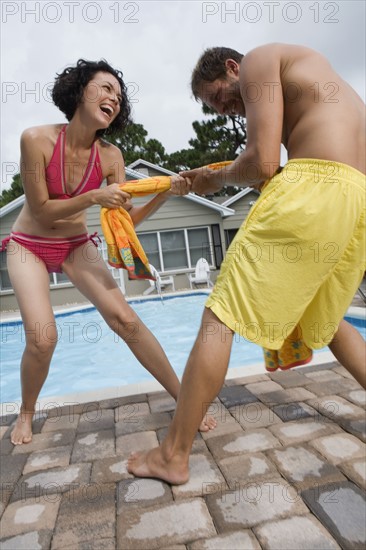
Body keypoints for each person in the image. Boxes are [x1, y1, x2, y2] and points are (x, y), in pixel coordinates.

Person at [127, 43, 366, 485]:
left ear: (232, 67)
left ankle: (173, 455)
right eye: (214, 107)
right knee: (328, 320)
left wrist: (213, 179)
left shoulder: (259, 58)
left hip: (316, 185)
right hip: (355, 198)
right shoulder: (319, 73)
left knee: (221, 314)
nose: (222, 108)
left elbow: (262, 161)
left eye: (216, 96)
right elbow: (274, 164)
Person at [4, 59, 216, 445]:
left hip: (75, 245)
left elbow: (127, 221)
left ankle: (184, 399)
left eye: (118, 96)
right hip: (28, 246)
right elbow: (39, 209)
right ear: (79, 90)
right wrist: (94, 195)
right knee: (43, 337)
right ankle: (27, 412)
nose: (112, 99)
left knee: (126, 320)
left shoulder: (111, 156)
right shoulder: (35, 139)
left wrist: (167, 192)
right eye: (104, 88)